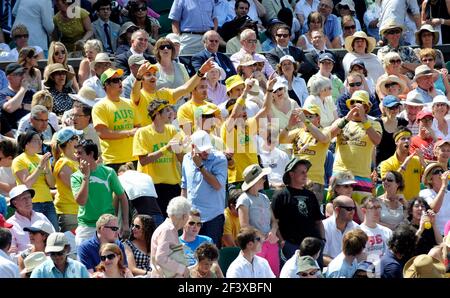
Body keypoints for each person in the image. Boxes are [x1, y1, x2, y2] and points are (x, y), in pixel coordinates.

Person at [71, 139, 129, 246]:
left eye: (80, 153)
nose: (76, 156)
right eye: (76, 153)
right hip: (86, 227)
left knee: (112, 259)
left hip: (108, 224)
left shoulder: (109, 172)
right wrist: (86, 177)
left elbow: (122, 197)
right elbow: (81, 201)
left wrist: (125, 224)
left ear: (91, 154)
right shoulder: (76, 176)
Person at [132, 99, 184, 218]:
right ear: (157, 114)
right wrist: (166, 148)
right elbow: (143, 160)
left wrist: (179, 148)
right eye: (166, 111)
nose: (171, 113)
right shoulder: (142, 133)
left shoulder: (172, 130)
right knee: (153, 224)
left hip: (172, 186)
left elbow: (181, 158)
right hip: (151, 187)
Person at [330, 90, 382, 203]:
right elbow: (329, 135)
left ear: (366, 107)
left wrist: (364, 119)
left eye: (360, 103)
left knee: (361, 211)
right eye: (353, 102)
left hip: (361, 175)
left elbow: (377, 140)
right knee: (337, 208)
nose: (356, 105)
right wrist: (346, 119)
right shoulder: (341, 121)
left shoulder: (374, 124)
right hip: (340, 173)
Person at [272, 158, 325, 261]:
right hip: (292, 247)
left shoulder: (311, 195)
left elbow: (318, 221)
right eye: (302, 172)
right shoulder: (280, 195)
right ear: (291, 174)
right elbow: (274, 223)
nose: (305, 175)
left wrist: (322, 240)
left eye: (306, 172)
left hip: (314, 246)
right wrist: (282, 243)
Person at [181, 130, 227, 246]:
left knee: (210, 256)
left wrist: (200, 166)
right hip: (192, 217)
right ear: (193, 147)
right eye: (202, 149)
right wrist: (182, 211)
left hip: (213, 217)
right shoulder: (186, 159)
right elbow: (184, 187)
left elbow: (217, 185)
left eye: (208, 148)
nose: (206, 152)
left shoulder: (220, 159)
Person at [280, 105, 330, 203]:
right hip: (295, 181)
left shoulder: (325, 131)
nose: (306, 118)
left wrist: (305, 121)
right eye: (305, 116)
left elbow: (323, 138)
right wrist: (289, 125)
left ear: (318, 118)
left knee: (311, 215)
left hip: (314, 182)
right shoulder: (298, 132)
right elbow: (281, 139)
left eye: (310, 116)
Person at [236, 164, 279, 276]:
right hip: (255, 244)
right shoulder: (243, 199)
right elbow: (244, 226)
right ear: (255, 181)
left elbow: (273, 221)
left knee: (274, 274)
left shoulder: (264, 197)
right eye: (262, 178)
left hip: (271, 242)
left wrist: (273, 232)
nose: (264, 180)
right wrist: (262, 237)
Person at [12, 130, 57, 230]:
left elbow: (52, 184)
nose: (40, 143)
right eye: (36, 140)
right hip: (32, 204)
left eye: (40, 140)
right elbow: (27, 184)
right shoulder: (19, 160)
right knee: (37, 234)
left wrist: (47, 171)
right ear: (27, 143)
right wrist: (40, 167)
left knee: (54, 233)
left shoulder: (42, 158)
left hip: (48, 201)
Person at [379, 128, 425, 201]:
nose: (407, 141)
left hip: (413, 206)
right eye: (403, 139)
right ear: (396, 142)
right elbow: (387, 184)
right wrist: (404, 165)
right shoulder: (386, 163)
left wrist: (422, 161)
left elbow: (429, 178)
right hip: (395, 204)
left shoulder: (417, 160)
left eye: (409, 139)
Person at [150, 196, 191, 278]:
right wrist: (182, 269)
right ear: (184, 216)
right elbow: (160, 258)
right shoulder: (167, 230)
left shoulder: (169, 229)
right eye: (188, 216)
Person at [52, 127, 81, 233]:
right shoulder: (63, 162)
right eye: (76, 138)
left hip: (79, 210)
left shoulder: (76, 159)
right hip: (69, 211)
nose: (79, 140)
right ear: (69, 142)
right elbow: (74, 186)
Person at [322, 195, 360, 265]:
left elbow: (360, 254)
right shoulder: (324, 227)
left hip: (351, 268)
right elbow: (322, 256)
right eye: (349, 209)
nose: (353, 212)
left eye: (354, 208)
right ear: (337, 210)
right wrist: (340, 266)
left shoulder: (356, 228)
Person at [359, 196, 393, 267]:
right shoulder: (358, 232)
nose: (377, 210)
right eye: (373, 208)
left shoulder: (387, 231)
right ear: (363, 211)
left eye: (378, 207)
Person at [375, 95, 408, 165]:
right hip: (381, 164)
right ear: (384, 109)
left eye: (396, 107)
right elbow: (373, 148)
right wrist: (373, 167)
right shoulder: (377, 123)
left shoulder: (403, 122)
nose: (395, 110)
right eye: (391, 108)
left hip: (398, 163)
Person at [419, 163, 450, 236]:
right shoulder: (424, 193)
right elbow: (434, 209)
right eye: (436, 172)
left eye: (442, 171)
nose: (440, 174)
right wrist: (443, 186)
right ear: (430, 179)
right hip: (435, 235)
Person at [0, 62, 33, 129]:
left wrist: (20, 105)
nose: (23, 76)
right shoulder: (3, 94)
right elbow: (10, 108)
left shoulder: (30, 93)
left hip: (31, 131)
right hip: (12, 132)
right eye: (19, 74)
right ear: (9, 78)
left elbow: (39, 108)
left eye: (23, 73)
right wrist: (23, 90)